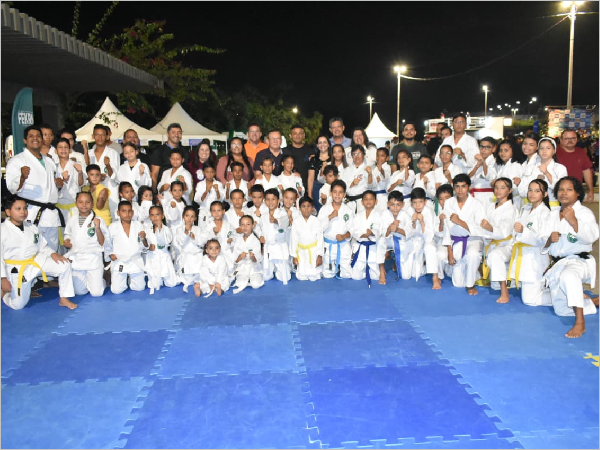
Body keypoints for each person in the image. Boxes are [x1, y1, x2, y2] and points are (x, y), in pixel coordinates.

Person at [543, 176, 599, 338]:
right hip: (558, 263)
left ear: (577, 193)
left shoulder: (584, 213)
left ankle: (580, 323)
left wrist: (574, 221)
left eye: (569, 189)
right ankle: (593, 302)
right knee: (562, 310)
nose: (564, 193)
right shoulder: (552, 214)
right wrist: (549, 240)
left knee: (569, 276)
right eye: (561, 189)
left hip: (579, 261)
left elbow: (591, 237)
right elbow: (543, 242)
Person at [1, 195, 77, 310]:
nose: (23, 212)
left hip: (35, 261)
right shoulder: (2, 230)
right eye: (18, 209)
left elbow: (42, 246)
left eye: (25, 208)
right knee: (18, 305)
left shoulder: (31, 227)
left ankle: (64, 298)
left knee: (64, 264)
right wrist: (2, 278)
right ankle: (5, 295)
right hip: (16, 269)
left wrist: (53, 254)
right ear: (8, 212)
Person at [6, 126, 65, 253]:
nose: (35, 138)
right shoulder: (16, 161)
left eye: (38, 136)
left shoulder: (49, 161)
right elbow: (11, 188)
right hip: (30, 214)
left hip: (50, 216)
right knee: (31, 250)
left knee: (52, 252)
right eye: (31, 136)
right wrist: (22, 178)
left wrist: (59, 186)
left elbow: (53, 190)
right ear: (25, 140)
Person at [438, 174, 486, 295]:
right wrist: (449, 251)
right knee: (458, 283)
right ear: (453, 187)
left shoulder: (477, 204)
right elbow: (447, 229)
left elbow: (480, 229)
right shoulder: (449, 203)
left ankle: (471, 285)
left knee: (473, 254)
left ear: (469, 187)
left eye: (463, 186)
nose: (460, 190)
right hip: (455, 240)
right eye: (457, 186)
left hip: (473, 240)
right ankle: (473, 270)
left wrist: (460, 222)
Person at [508, 179, 552, 308]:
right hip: (522, 255)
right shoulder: (525, 209)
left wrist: (524, 231)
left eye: (537, 191)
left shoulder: (545, 213)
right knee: (523, 289)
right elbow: (515, 232)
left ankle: (568, 296)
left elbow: (543, 240)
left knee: (529, 300)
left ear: (545, 194)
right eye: (530, 190)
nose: (532, 193)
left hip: (535, 258)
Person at [478, 178, 517, 303]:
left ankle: (504, 292)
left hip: (506, 245)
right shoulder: (490, 207)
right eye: (496, 187)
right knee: (494, 285)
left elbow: (504, 232)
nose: (498, 190)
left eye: (503, 188)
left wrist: (489, 227)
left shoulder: (511, 209)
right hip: (491, 243)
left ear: (510, 190)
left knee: (495, 255)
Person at [63, 191, 108, 297]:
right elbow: (67, 235)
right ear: (76, 203)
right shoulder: (72, 220)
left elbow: (103, 243)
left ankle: (101, 281)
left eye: (87, 202)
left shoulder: (99, 220)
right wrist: (67, 241)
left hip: (93, 258)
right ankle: (90, 281)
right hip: (78, 258)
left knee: (96, 293)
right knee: (79, 292)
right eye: (81, 202)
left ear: (92, 204)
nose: (84, 205)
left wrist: (97, 228)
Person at [106, 200, 147, 294]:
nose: (127, 214)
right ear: (118, 213)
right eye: (123, 211)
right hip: (119, 260)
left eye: (129, 211)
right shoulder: (113, 227)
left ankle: (130, 278)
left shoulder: (138, 225)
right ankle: (123, 278)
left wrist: (143, 238)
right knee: (116, 290)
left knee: (139, 288)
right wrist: (110, 254)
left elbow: (145, 246)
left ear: (132, 212)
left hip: (135, 260)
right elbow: (107, 243)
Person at [318, 179, 354, 279]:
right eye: (335, 192)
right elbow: (318, 228)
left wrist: (344, 236)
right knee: (328, 275)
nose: (337, 195)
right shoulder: (324, 209)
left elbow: (352, 229)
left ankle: (341, 267)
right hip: (328, 244)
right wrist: (330, 217)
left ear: (344, 194)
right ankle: (333, 268)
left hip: (343, 245)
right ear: (330, 193)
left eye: (340, 192)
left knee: (347, 275)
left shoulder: (348, 210)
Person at [519, 137, 567, 210]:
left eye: (548, 148)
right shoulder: (531, 168)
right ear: (538, 151)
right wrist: (535, 184)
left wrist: (547, 174)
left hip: (553, 208)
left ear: (554, 150)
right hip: (532, 207)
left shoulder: (560, 168)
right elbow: (522, 191)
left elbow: (562, 189)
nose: (544, 151)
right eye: (541, 148)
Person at [55, 137, 85, 245]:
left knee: (75, 236)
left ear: (70, 149)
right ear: (56, 150)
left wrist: (80, 173)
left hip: (73, 206)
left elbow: (81, 184)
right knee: (60, 238)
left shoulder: (76, 165)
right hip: (58, 206)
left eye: (66, 147)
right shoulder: (53, 166)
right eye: (60, 147)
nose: (63, 150)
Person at [379, 191, 413, 285]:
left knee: (406, 276)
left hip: (401, 242)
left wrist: (398, 229)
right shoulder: (384, 214)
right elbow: (382, 233)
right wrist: (389, 228)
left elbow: (409, 231)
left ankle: (395, 261)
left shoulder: (406, 215)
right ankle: (382, 269)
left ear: (403, 205)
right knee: (380, 242)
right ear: (387, 204)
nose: (395, 207)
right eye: (392, 204)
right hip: (388, 240)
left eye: (398, 205)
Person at [408, 188, 440, 286]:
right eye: (415, 202)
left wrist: (422, 222)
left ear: (425, 202)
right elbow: (408, 233)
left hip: (428, 240)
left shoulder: (429, 212)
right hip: (414, 240)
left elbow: (429, 237)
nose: (417, 205)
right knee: (413, 274)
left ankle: (435, 276)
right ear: (411, 202)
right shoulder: (409, 211)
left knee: (429, 248)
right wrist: (413, 222)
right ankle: (425, 266)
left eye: (420, 202)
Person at [350, 190, 382, 286]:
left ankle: (369, 269)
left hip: (373, 248)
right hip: (361, 246)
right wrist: (362, 235)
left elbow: (380, 229)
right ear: (362, 202)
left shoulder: (379, 215)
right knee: (355, 276)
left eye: (371, 199)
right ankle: (364, 270)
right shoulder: (357, 216)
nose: (368, 201)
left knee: (375, 276)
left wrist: (372, 233)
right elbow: (353, 229)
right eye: (366, 199)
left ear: (376, 201)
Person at [144, 205, 178, 294]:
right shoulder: (147, 229)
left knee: (171, 283)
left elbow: (167, 241)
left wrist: (159, 228)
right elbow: (144, 245)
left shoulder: (166, 229)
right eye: (152, 215)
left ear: (162, 216)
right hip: (153, 257)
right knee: (155, 285)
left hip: (164, 257)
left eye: (157, 214)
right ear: (149, 217)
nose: (155, 217)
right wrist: (148, 246)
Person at [260, 188, 291, 284]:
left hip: (279, 247)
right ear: (264, 201)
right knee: (266, 277)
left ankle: (279, 269)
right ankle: (271, 269)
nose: (270, 202)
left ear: (278, 201)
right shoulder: (263, 216)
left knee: (285, 277)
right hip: (268, 247)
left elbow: (285, 221)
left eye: (273, 199)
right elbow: (260, 228)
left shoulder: (282, 213)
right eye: (268, 199)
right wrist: (261, 236)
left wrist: (276, 221)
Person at [174, 206, 206, 295]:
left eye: (192, 216)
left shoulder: (198, 229)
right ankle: (194, 282)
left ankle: (198, 285)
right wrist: (186, 233)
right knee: (186, 279)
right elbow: (180, 243)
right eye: (187, 216)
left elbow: (202, 243)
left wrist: (194, 237)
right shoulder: (179, 229)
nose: (189, 219)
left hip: (197, 257)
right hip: (186, 257)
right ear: (183, 216)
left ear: (195, 218)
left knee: (201, 277)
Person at [556, 129, 594, 203]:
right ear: (561, 140)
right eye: (567, 139)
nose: (570, 141)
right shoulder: (553, 152)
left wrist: (590, 190)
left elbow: (586, 171)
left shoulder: (581, 152)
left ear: (577, 139)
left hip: (576, 192)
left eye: (573, 138)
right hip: (558, 192)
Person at [290, 196, 324, 281]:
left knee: (314, 276)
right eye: (303, 206)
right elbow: (293, 239)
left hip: (314, 251)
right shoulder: (296, 222)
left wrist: (320, 256)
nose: (306, 209)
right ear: (299, 208)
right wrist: (294, 256)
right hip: (301, 251)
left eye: (308, 206)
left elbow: (320, 240)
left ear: (312, 208)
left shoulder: (316, 221)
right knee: (302, 276)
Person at [231, 215, 264, 294]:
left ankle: (252, 279)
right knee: (240, 284)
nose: (245, 227)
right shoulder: (238, 240)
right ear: (240, 226)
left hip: (254, 267)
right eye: (242, 224)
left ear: (253, 226)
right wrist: (240, 257)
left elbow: (258, 258)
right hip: (242, 267)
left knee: (255, 285)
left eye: (248, 224)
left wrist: (253, 258)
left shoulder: (255, 240)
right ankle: (246, 279)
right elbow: (235, 259)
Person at [151, 123, 185, 192]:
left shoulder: (185, 151)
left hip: (180, 192)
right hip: (164, 190)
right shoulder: (159, 151)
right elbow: (154, 174)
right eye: (173, 132)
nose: (176, 135)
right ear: (167, 134)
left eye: (179, 132)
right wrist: (154, 193)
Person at [494, 138, 525, 210]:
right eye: (500, 150)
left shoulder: (515, 166)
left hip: (512, 201)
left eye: (506, 150)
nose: (502, 153)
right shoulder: (501, 166)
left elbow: (514, 187)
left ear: (513, 151)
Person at [342, 144, 373, 214]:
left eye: (359, 154)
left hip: (362, 202)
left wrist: (370, 174)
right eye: (354, 154)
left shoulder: (368, 169)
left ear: (363, 155)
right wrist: (352, 183)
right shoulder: (346, 170)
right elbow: (343, 186)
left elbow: (371, 186)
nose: (357, 156)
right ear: (351, 156)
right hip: (348, 201)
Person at [468, 137, 497, 205]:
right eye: (481, 147)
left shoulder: (494, 162)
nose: (483, 150)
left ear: (493, 149)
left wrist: (483, 163)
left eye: (487, 147)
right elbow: (468, 178)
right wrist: (476, 167)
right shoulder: (477, 161)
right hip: (474, 194)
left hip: (487, 196)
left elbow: (489, 176)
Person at [282, 124, 313, 188]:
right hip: (288, 186)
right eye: (295, 133)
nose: (298, 136)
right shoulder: (284, 151)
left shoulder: (310, 151)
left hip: (307, 186)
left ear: (303, 135)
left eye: (300, 133)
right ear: (290, 136)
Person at [307, 135, 332, 201]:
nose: (322, 144)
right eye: (320, 143)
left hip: (331, 188)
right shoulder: (314, 159)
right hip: (317, 189)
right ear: (317, 145)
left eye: (324, 142)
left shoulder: (333, 158)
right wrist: (309, 195)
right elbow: (310, 178)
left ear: (328, 144)